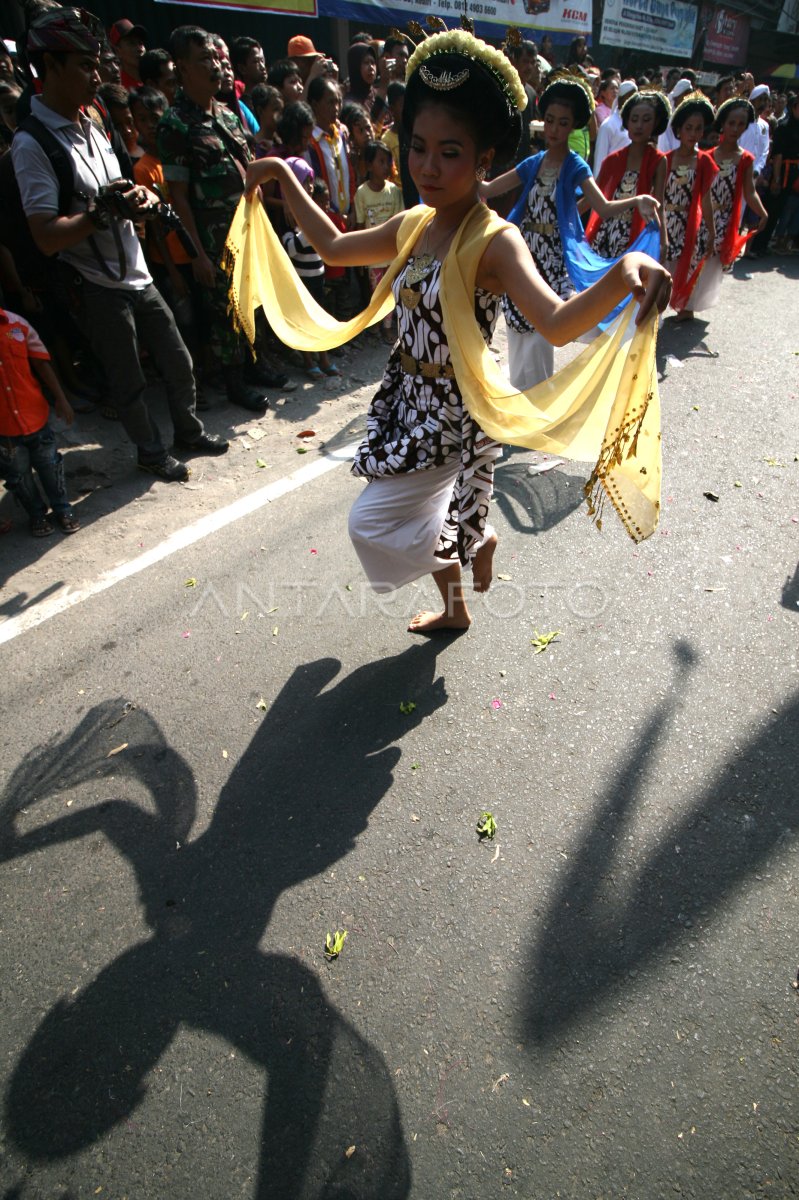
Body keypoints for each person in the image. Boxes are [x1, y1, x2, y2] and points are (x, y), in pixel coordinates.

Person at [241, 30, 671, 634]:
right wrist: (284, 178)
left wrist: (624, 270)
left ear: (484, 160)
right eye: (418, 148)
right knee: (426, 513)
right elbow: (335, 247)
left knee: (369, 523)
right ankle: (456, 604)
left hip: (451, 410)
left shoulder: (496, 240)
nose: (427, 167)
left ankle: (476, 540)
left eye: (449, 152)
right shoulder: (418, 222)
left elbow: (553, 321)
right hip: (403, 397)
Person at [13, 6, 227, 482]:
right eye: (84, 65)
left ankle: (188, 433)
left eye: (96, 63)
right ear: (49, 68)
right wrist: (100, 213)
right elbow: (45, 236)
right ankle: (150, 452)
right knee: (127, 379)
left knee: (177, 359)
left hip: (136, 269)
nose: (96, 75)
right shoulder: (34, 144)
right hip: (93, 282)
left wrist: (140, 197)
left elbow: (123, 182)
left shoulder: (96, 117)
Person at [481, 74, 660, 391]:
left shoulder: (576, 165)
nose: (554, 130)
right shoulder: (534, 162)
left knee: (543, 323)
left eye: (563, 123)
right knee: (518, 322)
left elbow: (602, 207)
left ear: (574, 125)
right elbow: (489, 188)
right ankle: (522, 392)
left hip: (553, 257)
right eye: (549, 121)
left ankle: (536, 397)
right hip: (524, 252)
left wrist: (637, 200)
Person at [159, 24, 272, 410]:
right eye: (204, 58)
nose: (215, 65)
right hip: (212, 240)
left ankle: (254, 366)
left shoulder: (226, 113)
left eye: (216, 57)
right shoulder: (175, 124)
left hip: (246, 231)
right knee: (225, 311)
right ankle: (234, 383)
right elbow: (178, 196)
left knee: (250, 301)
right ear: (182, 68)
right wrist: (198, 255)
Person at [0, 305, 79, 536]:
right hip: (4, 429)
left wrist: (61, 398)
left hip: (35, 416)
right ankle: (36, 515)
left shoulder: (18, 325)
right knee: (19, 476)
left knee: (50, 467)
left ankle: (63, 509)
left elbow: (41, 363)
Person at [694, 98, 767, 309]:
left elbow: (749, 191)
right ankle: (683, 302)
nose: (735, 128)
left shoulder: (745, 159)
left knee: (712, 266)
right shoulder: (706, 156)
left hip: (725, 221)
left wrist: (762, 213)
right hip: (702, 217)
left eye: (741, 124)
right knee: (694, 260)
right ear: (722, 123)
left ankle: (694, 306)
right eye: (731, 123)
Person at [586, 91, 670, 261]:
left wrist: (663, 240)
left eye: (646, 120)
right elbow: (593, 197)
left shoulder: (658, 160)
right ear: (626, 122)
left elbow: (659, 205)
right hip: (606, 233)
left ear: (656, 124)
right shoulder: (612, 160)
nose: (639, 125)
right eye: (634, 119)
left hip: (637, 234)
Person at [280, 157, 337, 379]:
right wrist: (308, 234)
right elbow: (289, 248)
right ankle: (309, 361)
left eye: (310, 182)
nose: (309, 187)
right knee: (303, 320)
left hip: (318, 278)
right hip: (301, 281)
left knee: (319, 318)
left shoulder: (312, 213)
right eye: (305, 181)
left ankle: (324, 359)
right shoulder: (289, 216)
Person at [662, 91, 717, 318]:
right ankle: (655, 307)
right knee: (663, 266)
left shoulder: (704, 161)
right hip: (667, 221)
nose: (693, 133)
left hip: (690, 223)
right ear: (678, 130)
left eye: (698, 128)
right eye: (688, 127)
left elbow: (706, 198)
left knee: (687, 266)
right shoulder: (665, 158)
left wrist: (712, 232)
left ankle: (684, 304)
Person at [354, 140, 403, 339]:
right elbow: (359, 225)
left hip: (391, 255)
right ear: (369, 165)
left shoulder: (394, 191)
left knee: (390, 290)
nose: (386, 167)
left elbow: (400, 225)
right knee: (377, 291)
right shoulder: (361, 193)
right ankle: (377, 324)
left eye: (388, 162)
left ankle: (387, 328)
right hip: (372, 256)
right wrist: (358, 257)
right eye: (381, 161)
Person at [305, 77, 354, 217]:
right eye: (330, 102)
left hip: (347, 217)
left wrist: (352, 208)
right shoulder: (310, 142)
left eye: (338, 102)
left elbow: (349, 174)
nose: (336, 108)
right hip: (326, 217)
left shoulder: (341, 136)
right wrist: (335, 214)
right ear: (315, 104)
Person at [769, 92, 799, 252]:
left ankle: (787, 241)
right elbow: (778, 154)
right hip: (785, 172)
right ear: (794, 108)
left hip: (797, 174)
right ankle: (774, 239)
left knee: (795, 210)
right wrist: (777, 178)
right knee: (782, 208)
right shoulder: (784, 126)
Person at [593, 78, 637, 176]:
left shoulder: (635, 125)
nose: (632, 102)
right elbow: (600, 159)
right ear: (621, 99)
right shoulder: (608, 125)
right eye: (629, 98)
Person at [108, 17, 146, 90]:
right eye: (131, 43)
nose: (139, 49)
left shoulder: (154, 82)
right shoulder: (117, 89)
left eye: (140, 43)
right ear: (117, 51)